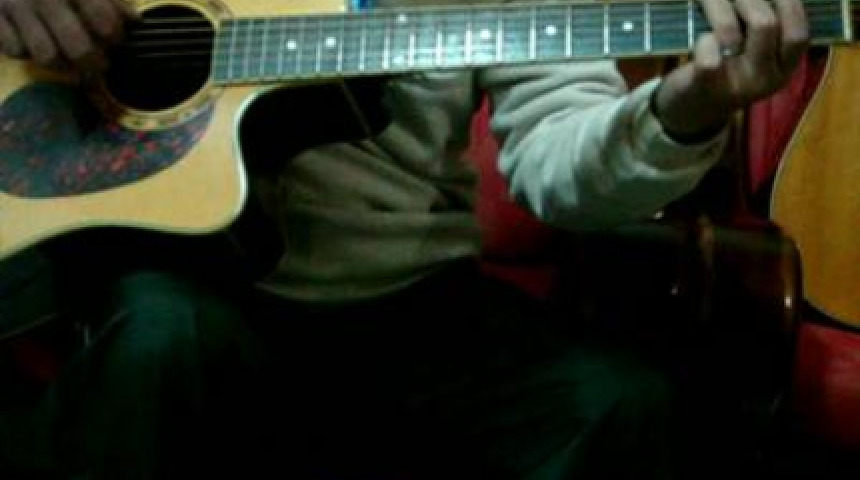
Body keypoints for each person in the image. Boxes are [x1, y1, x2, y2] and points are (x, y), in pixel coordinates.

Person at [0, 0, 809, 478]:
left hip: (407, 300)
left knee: (619, 408)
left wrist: (683, 111)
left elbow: (560, 163)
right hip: (190, 285)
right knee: (156, 341)